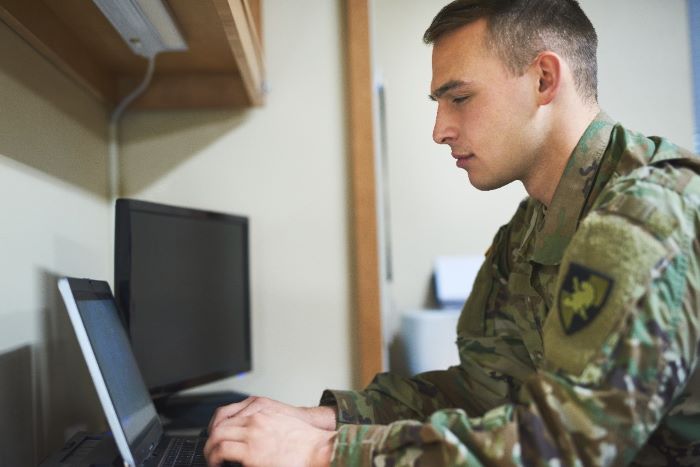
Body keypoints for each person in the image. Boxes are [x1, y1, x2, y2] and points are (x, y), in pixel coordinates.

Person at [204, 0, 700, 465]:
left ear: (544, 79)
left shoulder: (644, 216)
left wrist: (323, 452)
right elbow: (483, 391)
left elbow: (568, 445)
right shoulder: (531, 228)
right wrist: (325, 419)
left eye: (460, 97)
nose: (440, 129)